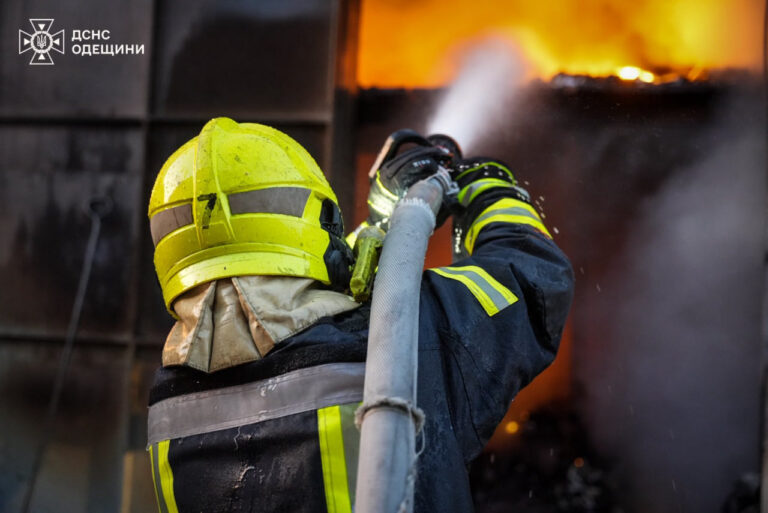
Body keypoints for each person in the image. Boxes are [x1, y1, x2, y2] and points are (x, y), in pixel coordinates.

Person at [146, 117, 574, 513]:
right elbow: (535, 275)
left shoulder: (170, 404)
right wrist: (490, 189)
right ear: (319, 224)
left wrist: (381, 221)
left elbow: (281, 304)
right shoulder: (408, 335)